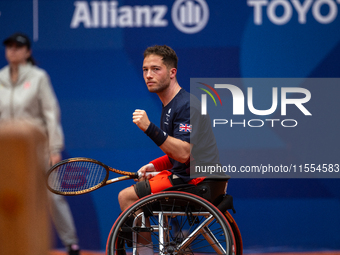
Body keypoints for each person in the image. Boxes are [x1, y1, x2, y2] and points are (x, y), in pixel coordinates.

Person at [118, 45, 221, 254]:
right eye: (145, 69)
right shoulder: (172, 106)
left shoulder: (186, 105)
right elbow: (180, 153)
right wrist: (153, 165)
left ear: (172, 72)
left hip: (198, 182)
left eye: (156, 69)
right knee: (140, 187)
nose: (149, 75)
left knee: (127, 197)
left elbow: (184, 153)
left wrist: (149, 128)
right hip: (193, 177)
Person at [0, 32, 80, 255]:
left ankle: (71, 244)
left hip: (38, 150)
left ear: (27, 52)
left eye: (18, 47)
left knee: (53, 196)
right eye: (9, 46)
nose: (13, 50)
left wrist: (54, 148)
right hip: (6, 152)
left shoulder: (38, 77)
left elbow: (51, 113)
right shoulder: (0, 78)